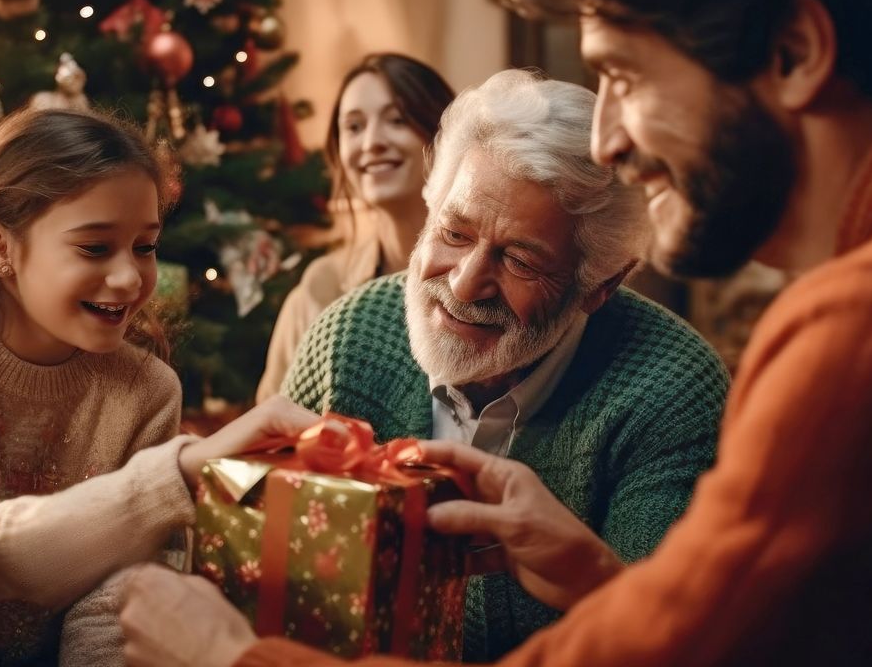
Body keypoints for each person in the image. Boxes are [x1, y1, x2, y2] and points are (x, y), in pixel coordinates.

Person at [115, 0, 872, 665]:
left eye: (624, 75)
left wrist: (231, 659)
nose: (610, 141)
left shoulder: (864, 327)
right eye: (456, 232)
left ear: (795, 52)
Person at [0, 107, 319, 666]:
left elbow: (119, 597)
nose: (131, 278)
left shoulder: (147, 389)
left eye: (145, 246)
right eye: (94, 247)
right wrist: (180, 472)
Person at [278, 70, 727, 658]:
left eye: (519, 260)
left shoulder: (672, 393)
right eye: (455, 233)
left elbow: (671, 643)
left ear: (599, 286)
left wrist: (586, 574)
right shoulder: (348, 337)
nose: (465, 286)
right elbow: (272, 567)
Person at [256, 53, 455, 402]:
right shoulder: (321, 288)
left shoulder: (483, 280)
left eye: (397, 120)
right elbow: (271, 429)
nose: (371, 142)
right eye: (354, 127)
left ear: (444, 137)